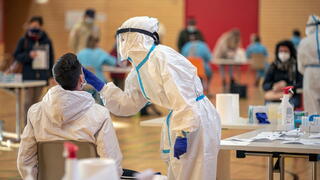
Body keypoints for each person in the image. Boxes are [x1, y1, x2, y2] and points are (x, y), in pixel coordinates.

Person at [84, 16, 221, 180]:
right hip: (183, 119)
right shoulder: (138, 69)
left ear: (136, 37)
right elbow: (128, 104)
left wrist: (184, 132)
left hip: (196, 120)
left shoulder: (162, 57)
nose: (122, 43)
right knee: (180, 171)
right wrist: (101, 86)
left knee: (196, 172)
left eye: (124, 38)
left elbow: (184, 97)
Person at [17, 53, 123, 179]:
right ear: (82, 79)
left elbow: (24, 162)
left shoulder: (35, 112)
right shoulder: (100, 115)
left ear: (55, 80)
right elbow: (111, 165)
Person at [13, 16, 54, 120]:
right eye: (33, 25)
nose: (34, 27)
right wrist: (28, 55)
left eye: (37, 26)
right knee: (27, 103)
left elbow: (51, 58)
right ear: (29, 25)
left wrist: (51, 75)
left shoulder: (46, 40)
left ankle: (36, 128)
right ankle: (27, 128)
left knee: (37, 103)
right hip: (28, 76)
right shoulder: (24, 40)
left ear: (41, 27)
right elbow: (16, 55)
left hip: (41, 76)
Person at [263, 40, 303, 107]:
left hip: (291, 96)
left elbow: (301, 84)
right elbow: (265, 85)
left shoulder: (296, 66)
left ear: (291, 52)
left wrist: (286, 86)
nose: (283, 54)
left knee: (288, 106)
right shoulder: (273, 66)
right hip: (275, 95)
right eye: (281, 51)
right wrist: (273, 85)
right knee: (268, 105)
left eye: (286, 51)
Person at [297, 15, 320, 114]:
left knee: (311, 102)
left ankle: (314, 125)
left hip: (309, 72)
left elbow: (300, 63)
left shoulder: (304, 42)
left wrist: (305, 72)